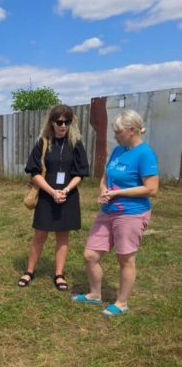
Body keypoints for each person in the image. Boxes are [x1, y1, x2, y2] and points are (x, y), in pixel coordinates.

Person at [73, 110, 159, 316]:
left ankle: (122, 303)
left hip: (131, 213)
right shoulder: (119, 150)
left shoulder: (145, 154)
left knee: (125, 259)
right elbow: (105, 177)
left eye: (118, 132)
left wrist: (118, 192)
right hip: (108, 211)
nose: (114, 136)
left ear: (131, 131)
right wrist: (104, 190)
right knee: (90, 255)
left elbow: (152, 189)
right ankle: (95, 295)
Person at [18, 104, 89, 291]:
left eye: (67, 121)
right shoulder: (43, 143)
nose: (63, 125)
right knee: (40, 234)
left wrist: (65, 190)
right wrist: (52, 191)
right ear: (52, 122)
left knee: (62, 235)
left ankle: (59, 274)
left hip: (68, 196)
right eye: (59, 121)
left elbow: (80, 173)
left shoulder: (76, 144)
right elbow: (34, 172)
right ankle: (29, 271)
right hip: (46, 196)